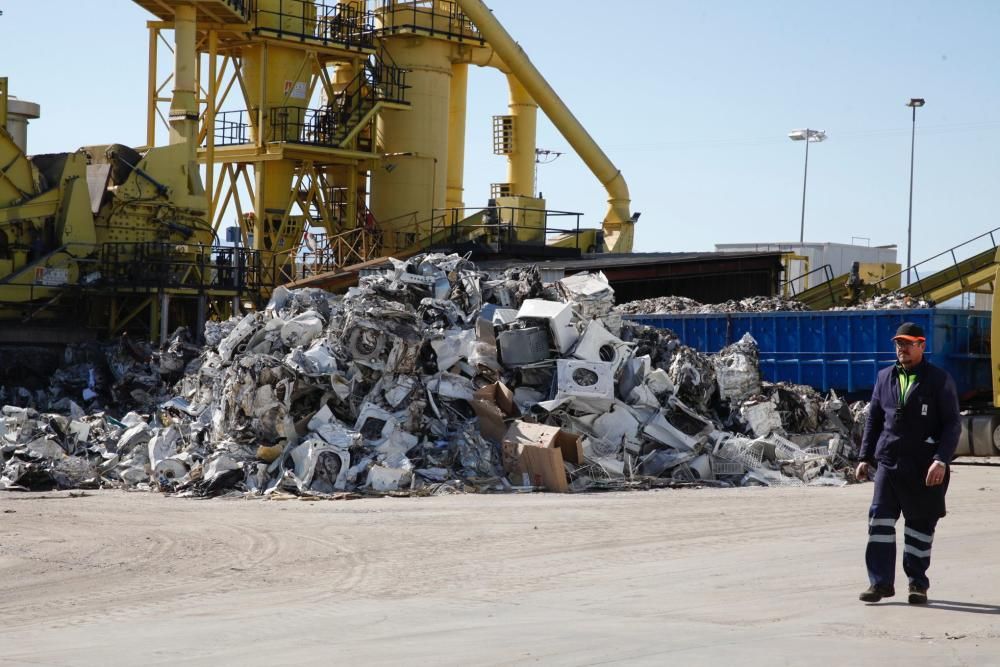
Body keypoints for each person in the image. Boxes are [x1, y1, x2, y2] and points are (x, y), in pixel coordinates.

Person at [856, 322, 960, 604]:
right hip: (889, 463)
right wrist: (865, 457)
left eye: (908, 343)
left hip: (924, 467)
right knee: (879, 521)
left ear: (922, 345)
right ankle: (879, 584)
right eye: (899, 343)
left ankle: (917, 583)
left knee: (919, 527)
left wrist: (941, 459)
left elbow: (952, 424)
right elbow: (874, 420)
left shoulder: (939, 380)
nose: (902, 348)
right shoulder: (884, 377)